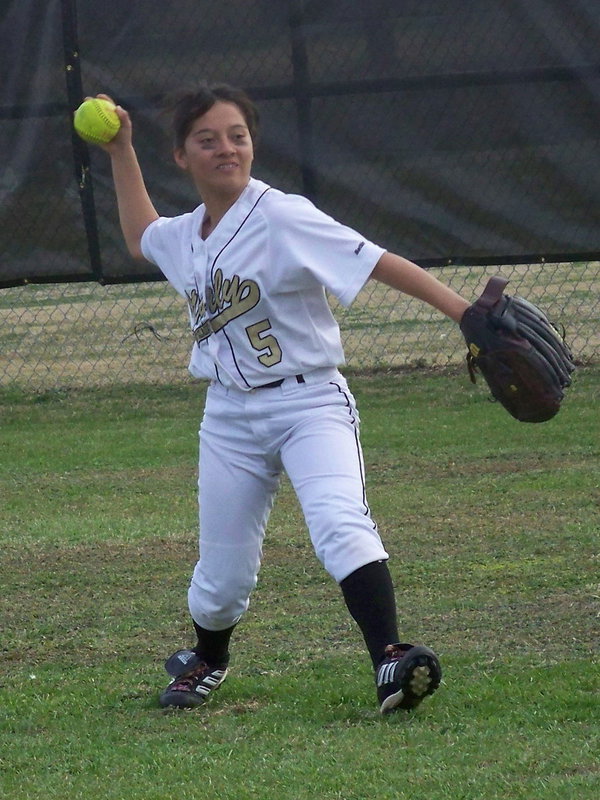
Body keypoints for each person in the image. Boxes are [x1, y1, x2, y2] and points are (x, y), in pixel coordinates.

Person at [95, 83, 470, 714]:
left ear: (253, 143)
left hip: (309, 403)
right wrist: (121, 149)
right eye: (207, 140)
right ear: (182, 156)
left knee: (338, 524)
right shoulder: (187, 235)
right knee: (221, 581)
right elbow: (141, 237)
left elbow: (376, 260)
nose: (226, 149)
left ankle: (390, 658)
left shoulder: (282, 215)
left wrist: (463, 314)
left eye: (237, 136)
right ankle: (206, 659)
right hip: (229, 417)